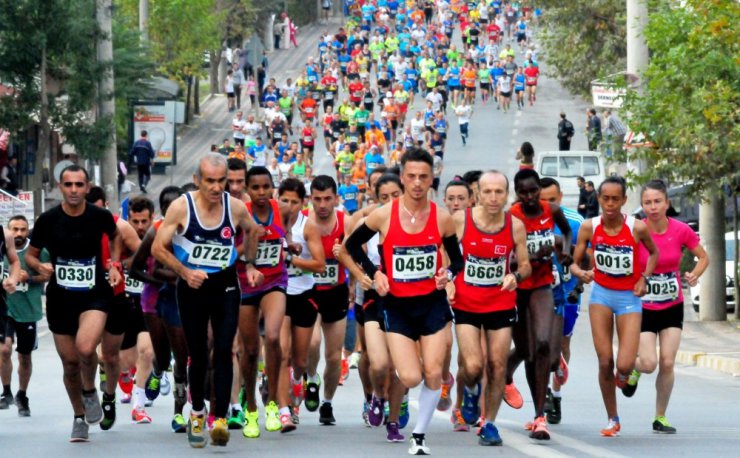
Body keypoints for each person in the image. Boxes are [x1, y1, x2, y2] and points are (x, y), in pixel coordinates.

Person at [345, 148, 464, 455]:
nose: (417, 183)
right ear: (402, 177)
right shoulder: (384, 214)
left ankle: (420, 437)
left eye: (424, 177)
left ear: (431, 179)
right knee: (410, 376)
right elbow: (352, 245)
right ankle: (391, 402)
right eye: (411, 176)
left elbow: (459, 261)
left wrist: (446, 273)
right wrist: (375, 273)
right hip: (397, 306)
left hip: (433, 304)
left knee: (434, 372)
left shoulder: (442, 219)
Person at [152, 153, 264, 448]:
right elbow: (157, 248)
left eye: (221, 181)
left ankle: (220, 418)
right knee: (198, 353)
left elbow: (253, 231)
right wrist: (185, 272)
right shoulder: (181, 208)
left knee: (225, 349)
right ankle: (198, 412)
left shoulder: (235, 207)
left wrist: (249, 264)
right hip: (192, 288)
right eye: (210, 181)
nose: (216, 188)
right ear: (197, 180)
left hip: (225, 284)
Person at [26, 164, 120, 442]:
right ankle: (79, 417)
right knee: (69, 363)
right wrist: (39, 266)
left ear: (87, 187)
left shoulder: (100, 216)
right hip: (60, 297)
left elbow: (116, 237)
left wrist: (113, 263)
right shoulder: (48, 220)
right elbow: (30, 255)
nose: (74, 190)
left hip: (94, 294)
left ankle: (89, 389)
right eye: (68, 185)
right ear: (60, 187)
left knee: (86, 347)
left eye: (79, 185)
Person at [570, 176, 659, 437]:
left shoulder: (637, 228)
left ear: (623, 201)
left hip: (629, 298)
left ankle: (624, 376)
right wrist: (580, 273)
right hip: (601, 296)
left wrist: (645, 277)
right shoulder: (589, 226)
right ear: (599, 199)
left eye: (615, 199)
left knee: (624, 364)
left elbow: (653, 253)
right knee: (605, 360)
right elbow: (575, 263)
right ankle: (613, 418)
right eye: (605, 198)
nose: (610, 204)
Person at [448, 171, 532, 446]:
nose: (493, 197)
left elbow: (526, 265)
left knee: (497, 365)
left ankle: (490, 423)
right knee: (472, 365)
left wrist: (515, 277)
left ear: (507, 195)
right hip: (466, 303)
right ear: (477, 195)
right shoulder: (461, 220)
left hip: (500, 303)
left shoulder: (515, 226)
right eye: (488, 192)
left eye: (499, 192)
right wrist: (447, 278)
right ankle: (470, 389)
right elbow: (442, 251)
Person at [624, 179, 709, 434]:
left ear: (667, 203)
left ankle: (660, 416)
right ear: (642, 205)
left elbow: (703, 257)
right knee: (649, 362)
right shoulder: (637, 231)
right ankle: (635, 371)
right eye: (648, 202)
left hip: (672, 304)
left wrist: (694, 273)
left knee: (668, 362)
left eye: (657, 201)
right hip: (644, 306)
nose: (653, 207)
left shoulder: (681, 230)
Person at [238, 166, 297, 436]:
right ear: (247, 189)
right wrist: (250, 240)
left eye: (266, 187)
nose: (261, 193)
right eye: (255, 188)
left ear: (272, 187)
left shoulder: (283, 209)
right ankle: (251, 407)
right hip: (245, 284)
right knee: (249, 351)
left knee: (273, 337)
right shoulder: (240, 213)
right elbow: (227, 251)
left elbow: (285, 234)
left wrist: (289, 243)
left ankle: (272, 402)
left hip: (274, 280)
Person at [129, 186, 190, 433]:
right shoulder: (155, 232)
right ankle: (156, 370)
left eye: (178, 206)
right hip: (153, 302)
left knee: (182, 359)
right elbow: (135, 269)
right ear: (163, 211)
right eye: (167, 207)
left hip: (184, 302)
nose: (173, 211)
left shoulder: (195, 232)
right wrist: (165, 280)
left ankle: (178, 413)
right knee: (163, 357)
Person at [277, 178, 326, 431]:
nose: (289, 206)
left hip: (305, 294)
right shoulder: (271, 223)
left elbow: (320, 264)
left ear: (302, 203)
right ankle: (286, 411)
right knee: (282, 353)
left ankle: (299, 380)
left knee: (300, 360)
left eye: (294, 202)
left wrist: (291, 260)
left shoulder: (308, 227)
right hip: (280, 295)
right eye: (284, 200)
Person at [305, 175, 352, 426]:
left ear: (336, 198)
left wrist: (343, 253)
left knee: (334, 356)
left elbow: (359, 256)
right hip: (310, 291)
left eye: (327, 199)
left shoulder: (346, 221)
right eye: (317, 199)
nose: (322, 204)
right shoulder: (302, 221)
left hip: (336, 292)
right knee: (311, 343)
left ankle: (327, 403)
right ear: (310, 199)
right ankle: (311, 378)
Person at [539, 177, 585, 424]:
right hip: (538, 292)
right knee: (541, 344)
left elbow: (587, 257)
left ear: (561, 197)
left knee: (561, 347)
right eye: (542, 200)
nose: (547, 205)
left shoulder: (575, 222)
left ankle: (556, 394)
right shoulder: (527, 222)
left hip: (566, 293)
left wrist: (577, 285)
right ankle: (543, 394)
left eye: (552, 200)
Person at [0, 215, 47, 416]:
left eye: (22, 229)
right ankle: (7, 391)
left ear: (28, 231)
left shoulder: (38, 252)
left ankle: (22, 394)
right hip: (5, 308)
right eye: (14, 229)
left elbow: (48, 275)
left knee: (24, 357)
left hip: (28, 311)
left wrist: (31, 277)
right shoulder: (3, 247)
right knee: (4, 349)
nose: (18, 233)